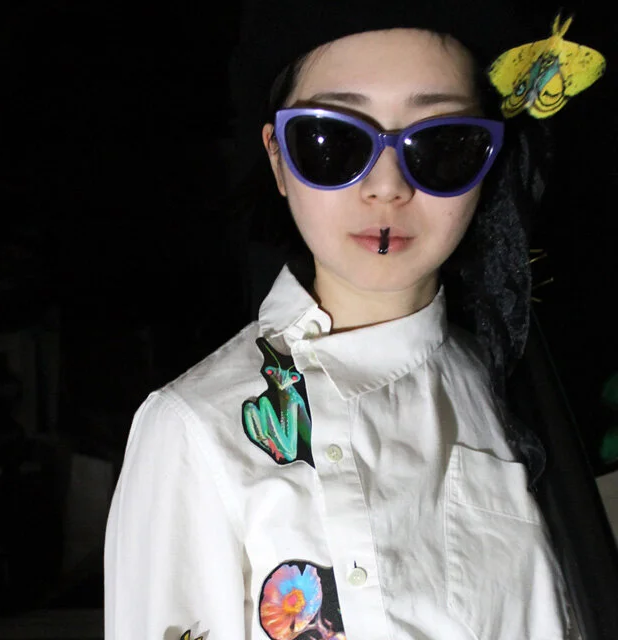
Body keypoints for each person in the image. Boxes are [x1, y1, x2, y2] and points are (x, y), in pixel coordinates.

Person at [104, 1, 605, 638]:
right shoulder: (195, 429)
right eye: (333, 142)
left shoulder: (514, 389)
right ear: (278, 159)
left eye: (442, 144)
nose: (387, 185)